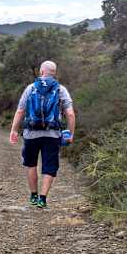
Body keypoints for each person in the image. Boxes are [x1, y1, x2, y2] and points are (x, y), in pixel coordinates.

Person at [9, 60, 76, 209]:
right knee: (49, 166)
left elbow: (20, 111)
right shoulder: (60, 90)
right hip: (52, 134)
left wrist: (14, 130)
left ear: (41, 72)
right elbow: (70, 114)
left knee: (31, 163)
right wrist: (71, 133)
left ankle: (33, 195)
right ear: (54, 73)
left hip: (31, 133)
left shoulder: (30, 88)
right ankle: (43, 199)